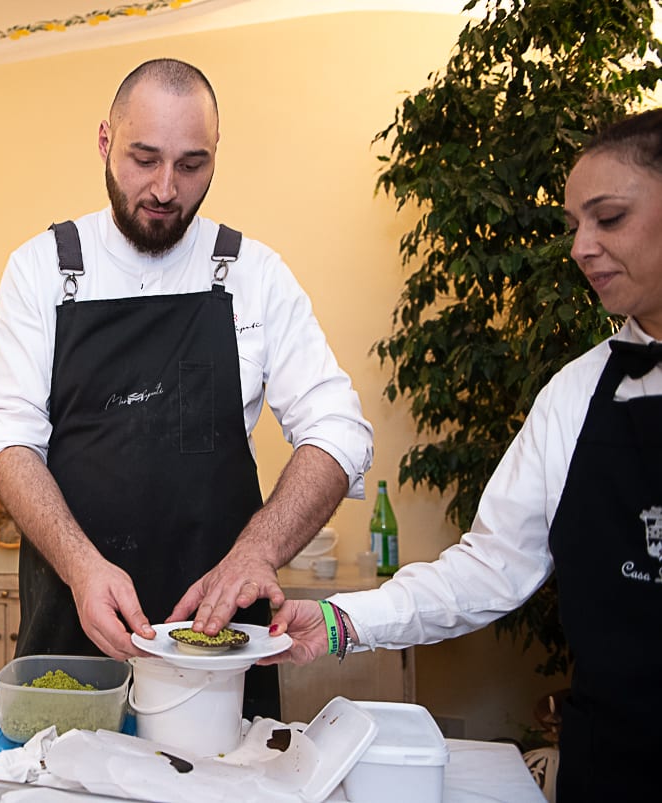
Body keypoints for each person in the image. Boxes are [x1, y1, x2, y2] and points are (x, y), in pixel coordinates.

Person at [262, 108, 662, 801]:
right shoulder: (572, 396)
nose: (580, 248)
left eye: (609, 217)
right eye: (573, 227)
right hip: (614, 769)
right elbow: (490, 565)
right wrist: (342, 620)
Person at [0, 58, 373, 719]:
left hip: (217, 637)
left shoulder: (253, 274)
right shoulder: (43, 269)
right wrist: (80, 566)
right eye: (143, 158)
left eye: (191, 165)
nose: (164, 188)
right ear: (104, 142)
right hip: (76, 626)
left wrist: (258, 550)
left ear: (216, 155)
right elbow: (9, 440)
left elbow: (338, 431)